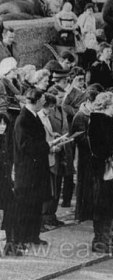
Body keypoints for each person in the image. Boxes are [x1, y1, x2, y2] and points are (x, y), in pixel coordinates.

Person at [87, 92, 113, 254]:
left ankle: (104, 236)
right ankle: (99, 240)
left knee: (107, 203)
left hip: (106, 167)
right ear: (107, 105)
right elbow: (98, 148)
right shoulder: (98, 121)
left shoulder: (103, 120)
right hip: (102, 168)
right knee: (102, 204)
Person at [13, 88, 52, 246]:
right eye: (42, 100)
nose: (44, 102)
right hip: (28, 170)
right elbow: (25, 145)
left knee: (35, 203)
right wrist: (47, 146)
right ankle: (21, 238)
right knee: (26, 205)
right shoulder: (23, 119)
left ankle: (33, 235)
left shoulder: (33, 116)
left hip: (36, 168)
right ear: (35, 101)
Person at [72, 87, 99, 222]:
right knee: (84, 184)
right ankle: (82, 214)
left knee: (93, 185)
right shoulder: (81, 115)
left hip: (94, 155)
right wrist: (95, 141)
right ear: (88, 101)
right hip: (84, 156)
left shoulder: (93, 113)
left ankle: (91, 212)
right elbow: (79, 136)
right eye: (95, 103)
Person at [49, 74, 75, 209]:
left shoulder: (62, 110)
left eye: (63, 97)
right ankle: (49, 214)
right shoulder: (48, 112)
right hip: (55, 150)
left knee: (62, 179)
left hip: (64, 149)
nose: (62, 100)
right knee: (54, 182)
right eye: (59, 97)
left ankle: (53, 213)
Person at [38, 93, 64, 228]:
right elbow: (40, 139)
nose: (52, 110)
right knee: (45, 189)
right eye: (51, 107)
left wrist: (54, 135)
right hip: (47, 156)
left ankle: (48, 217)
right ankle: (42, 219)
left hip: (51, 156)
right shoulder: (40, 117)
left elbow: (46, 134)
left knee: (52, 188)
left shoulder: (46, 116)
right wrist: (53, 147)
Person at [0, 112, 20, 256]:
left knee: (10, 211)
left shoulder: (7, 140)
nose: (2, 126)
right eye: (0, 123)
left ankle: (10, 244)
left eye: (4, 124)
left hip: (6, 182)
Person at [0, 57, 22, 163]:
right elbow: (5, 100)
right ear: (8, 70)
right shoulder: (3, 83)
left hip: (14, 114)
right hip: (7, 115)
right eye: (14, 69)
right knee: (8, 143)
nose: (16, 71)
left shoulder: (14, 82)